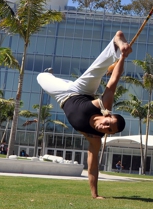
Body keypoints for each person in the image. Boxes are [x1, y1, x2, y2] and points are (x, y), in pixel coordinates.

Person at [37, 31, 132, 199]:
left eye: (108, 130)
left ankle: (49, 73)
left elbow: (92, 166)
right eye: (108, 123)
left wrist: (95, 195)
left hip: (62, 95)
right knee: (95, 71)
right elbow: (113, 82)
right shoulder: (104, 106)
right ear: (108, 116)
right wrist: (123, 58)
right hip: (81, 90)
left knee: (41, 77)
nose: (105, 127)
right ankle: (117, 44)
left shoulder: (95, 138)